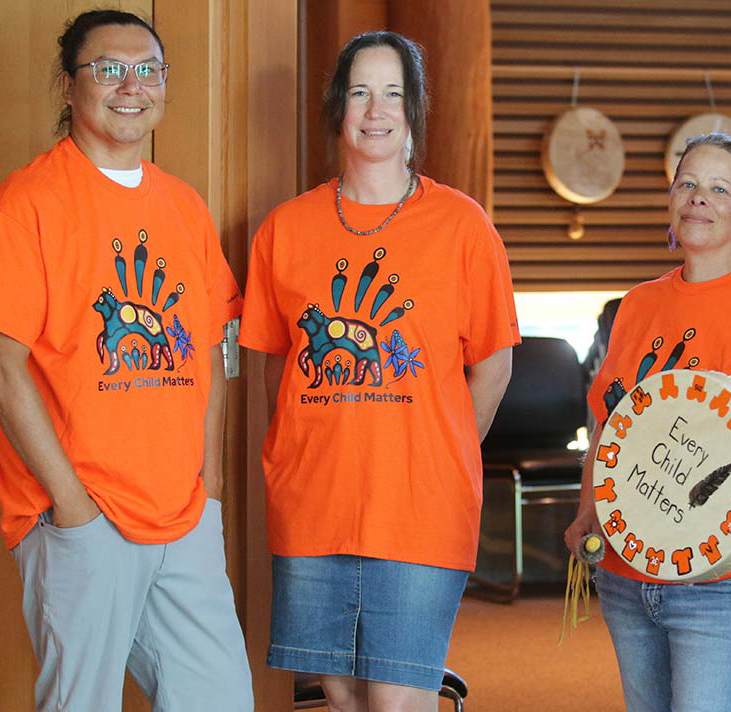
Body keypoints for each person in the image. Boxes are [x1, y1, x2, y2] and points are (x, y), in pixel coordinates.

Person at [239, 31, 518, 712]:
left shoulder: (461, 225)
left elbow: (494, 366)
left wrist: (439, 451)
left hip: (421, 505)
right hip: (313, 504)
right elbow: (279, 370)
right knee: (340, 696)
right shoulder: (285, 229)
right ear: (338, 105)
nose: (375, 109)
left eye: (393, 93)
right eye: (361, 91)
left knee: (397, 701)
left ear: (413, 110)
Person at [0, 10, 252, 711]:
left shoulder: (184, 206)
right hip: (80, 516)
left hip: (183, 515)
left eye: (147, 69)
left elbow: (210, 350)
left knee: (220, 699)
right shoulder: (29, 203)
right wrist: (72, 507)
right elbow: (3, 364)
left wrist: (209, 493)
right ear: (67, 85)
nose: (130, 85)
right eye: (108, 68)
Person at [566, 132, 731, 712]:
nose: (698, 199)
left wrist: (715, 493)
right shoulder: (636, 307)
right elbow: (611, 428)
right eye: (687, 184)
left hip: (730, 580)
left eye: (719, 188)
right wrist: (589, 509)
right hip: (628, 571)